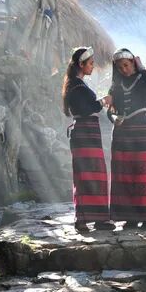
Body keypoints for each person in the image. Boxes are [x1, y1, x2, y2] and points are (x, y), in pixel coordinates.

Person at [62, 46, 115, 233]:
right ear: (81, 64)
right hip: (84, 134)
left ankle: (98, 219)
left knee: (95, 174)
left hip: (88, 134)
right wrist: (103, 101)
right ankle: (82, 219)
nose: (93, 66)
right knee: (86, 175)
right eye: (90, 63)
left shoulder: (77, 84)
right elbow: (87, 108)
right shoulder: (76, 86)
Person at [108, 48, 146, 229]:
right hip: (121, 132)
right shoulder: (115, 86)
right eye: (120, 67)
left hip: (140, 129)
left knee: (142, 172)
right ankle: (129, 217)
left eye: (127, 65)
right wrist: (114, 118)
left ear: (133, 63)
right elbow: (109, 111)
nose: (124, 70)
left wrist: (142, 68)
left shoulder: (142, 79)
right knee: (124, 173)